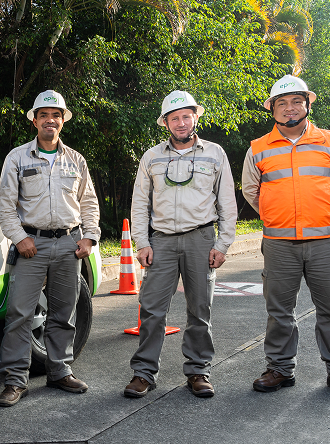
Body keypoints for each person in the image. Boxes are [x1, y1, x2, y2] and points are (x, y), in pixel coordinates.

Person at [241, 75, 330, 399]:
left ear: (307, 104)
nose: (289, 108)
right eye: (281, 103)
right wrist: (275, 215)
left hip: (323, 241)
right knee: (279, 312)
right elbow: (251, 192)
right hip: (279, 243)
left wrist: (323, 215)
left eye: (296, 101)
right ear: (272, 110)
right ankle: (280, 370)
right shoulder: (258, 149)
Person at [125, 90, 236, 399]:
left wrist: (223, 244)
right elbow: (139, 204)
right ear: (166, 123)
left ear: (195, 117)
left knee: (200, 309)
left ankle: (199, 372)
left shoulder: (215, 153)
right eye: (175, 118)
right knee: (151, 310)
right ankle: (143, 374)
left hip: (201, 239)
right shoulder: (152, 157)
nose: (181, 122)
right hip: (160, 241)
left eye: (186, 116)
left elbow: (227, 201)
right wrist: (142, 242)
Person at [0, 90, 101, 407]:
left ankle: (59, 372)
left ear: (62, 121)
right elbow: (5, 207)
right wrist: (19, 237)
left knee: (64, 314)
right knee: (19, 315)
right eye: (44, 115)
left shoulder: (76, 160)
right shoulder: (18, 158)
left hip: (70, 245)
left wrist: (89, 237)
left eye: (56, 115)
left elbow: (89, 203)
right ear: (35, 121)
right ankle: (15, 381)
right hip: (32, 247)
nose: (50, 120)